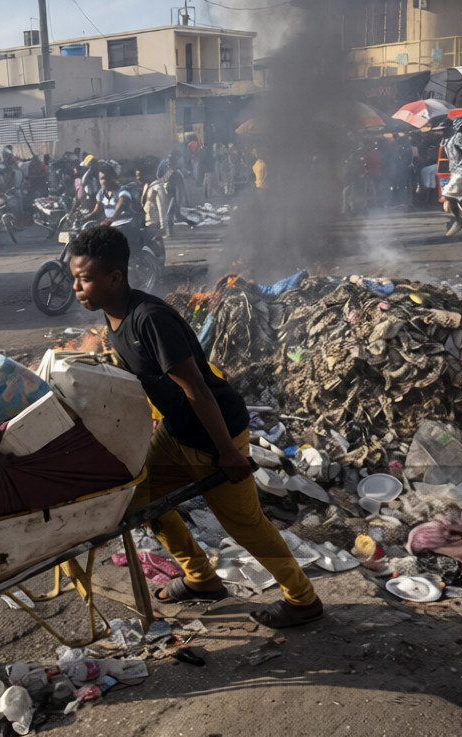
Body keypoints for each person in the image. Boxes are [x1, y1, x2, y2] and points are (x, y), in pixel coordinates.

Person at [68, 226, 324, 628]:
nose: (76, 286)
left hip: (213, 430)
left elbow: (197, 389)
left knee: (246, 526)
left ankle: (303, 599)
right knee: (142, 502)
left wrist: (227, 452)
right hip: (176, 430)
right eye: (74, 277)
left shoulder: (150, 319)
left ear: (115, 277)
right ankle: (202, 579)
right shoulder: (111, 318)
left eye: (84, 278)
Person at [82, 164, 142, 252]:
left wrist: (113, 217)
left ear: (114, 178)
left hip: (125, 224)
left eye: (107, 178)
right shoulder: (101, 193)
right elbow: (97, 210)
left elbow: (122, 203)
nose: (104, 181)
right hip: (111, 225)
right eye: (101, 178)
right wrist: (85, 218)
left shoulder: (122, 191)